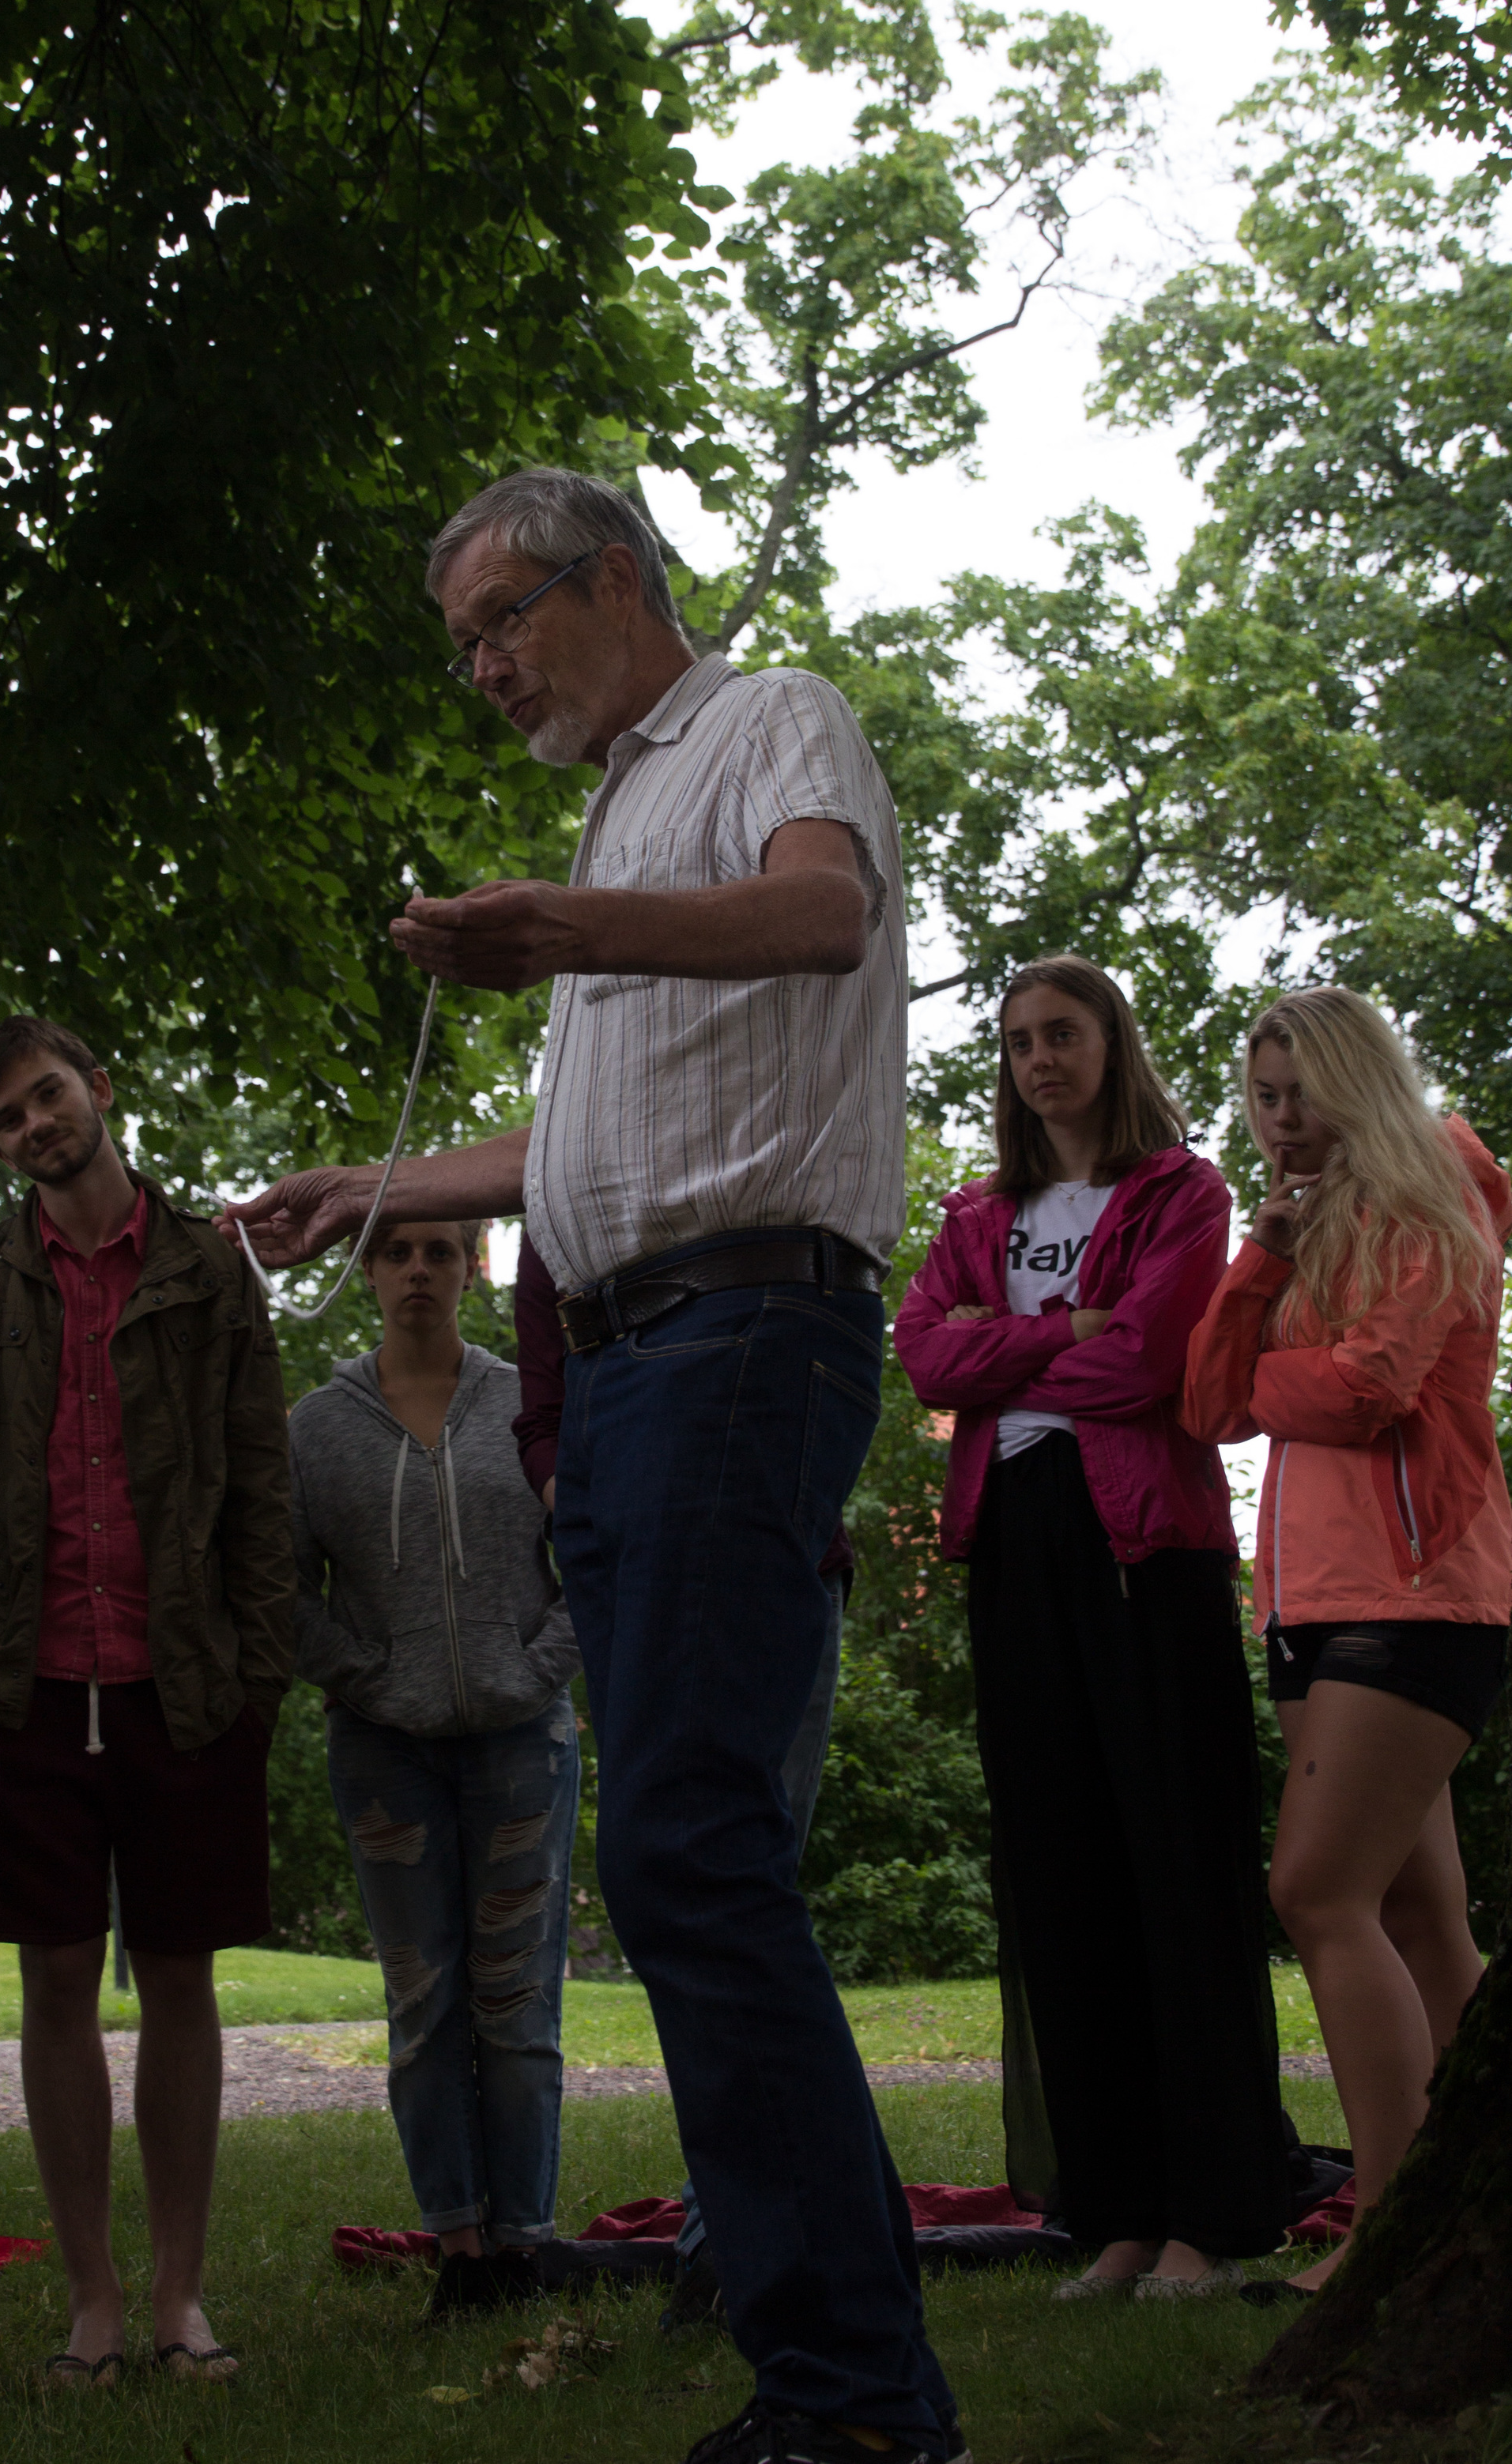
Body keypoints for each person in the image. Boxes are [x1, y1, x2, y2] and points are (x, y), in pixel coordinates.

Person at [224, 468, 960, 2464]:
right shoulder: (622, 810)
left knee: (691, 1856)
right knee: (687, 1859)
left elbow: (823, 912)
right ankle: (841, 2376)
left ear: (614, 575)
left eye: (498, 623)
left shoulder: (764, 721)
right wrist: (371, 1182)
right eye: (461, 643)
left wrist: (552, 930)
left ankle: (853, 2400)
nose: (478, 669)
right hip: (631, 1359)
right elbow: (581, 1157)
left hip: (740, 1334)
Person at [0, 1019, 293, 2388]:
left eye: (47, 1096)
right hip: (18, 1680)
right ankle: (94, 2299)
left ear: (98, 1091)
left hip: (183, 1679)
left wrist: (259, 1672)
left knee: (181, 1972)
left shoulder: (206, 1268)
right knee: (55, 1978)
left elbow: (262, 1483)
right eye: (6, 1120)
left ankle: (182, 2294)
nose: (35, 1127)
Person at [894, 955, 1287, 2297]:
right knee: (1060, 1872)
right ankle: (1115, 2211)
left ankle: (1219, 2211)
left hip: (1141, 1549)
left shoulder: (1180, 1189)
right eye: (1016, 1042)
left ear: (1113, 1045)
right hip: (1014, 1540)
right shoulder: (977, 1209)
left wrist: (1010, 1339)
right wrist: (1062, 1325)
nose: (1039, 1059)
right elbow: (924, 1356)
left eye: (1062, 1033)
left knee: (1176, 1864)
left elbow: (1147, 1363)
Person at [1182, 985, 1510, 2292]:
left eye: (1304, 1090)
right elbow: (1207, 1403)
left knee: (1316, 1892)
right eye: (1264, 1096)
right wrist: (1261, 1259)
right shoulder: (1301, 1228)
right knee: (1424, 1914)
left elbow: (1373, 1389)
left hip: (1419, 1594)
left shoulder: (1437, 1192)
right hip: (1314, 1603)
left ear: (1358, 1082)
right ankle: (1474, 2212)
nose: (1282, 1119)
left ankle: (1388, 2230)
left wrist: (1272, 1374)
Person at [511, 1229, 848, 2330]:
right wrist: (583, 1503)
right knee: (675, 1875)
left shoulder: (728, 1177)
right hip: (636, 1567)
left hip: (760, 1550)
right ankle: (772, 2267)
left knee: (729, 1876)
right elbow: (545, 1402)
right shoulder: (567, 1211)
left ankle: (778, 2270)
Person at [290, 1219, 582, 2315]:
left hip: (522, 1744)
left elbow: (591, 1547)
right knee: (424, 2001)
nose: (418, 1268)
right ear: (365, 1270)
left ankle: (527, 2242)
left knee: (520, 2001)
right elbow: (278, 1589)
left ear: (475, 1266)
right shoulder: (316, 1428)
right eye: (396, 1250)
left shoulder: (532, 1406)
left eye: (440, 1249)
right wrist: (369, 1678)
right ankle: (459, 2245)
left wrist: (535, 1669)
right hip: (385, 1752)